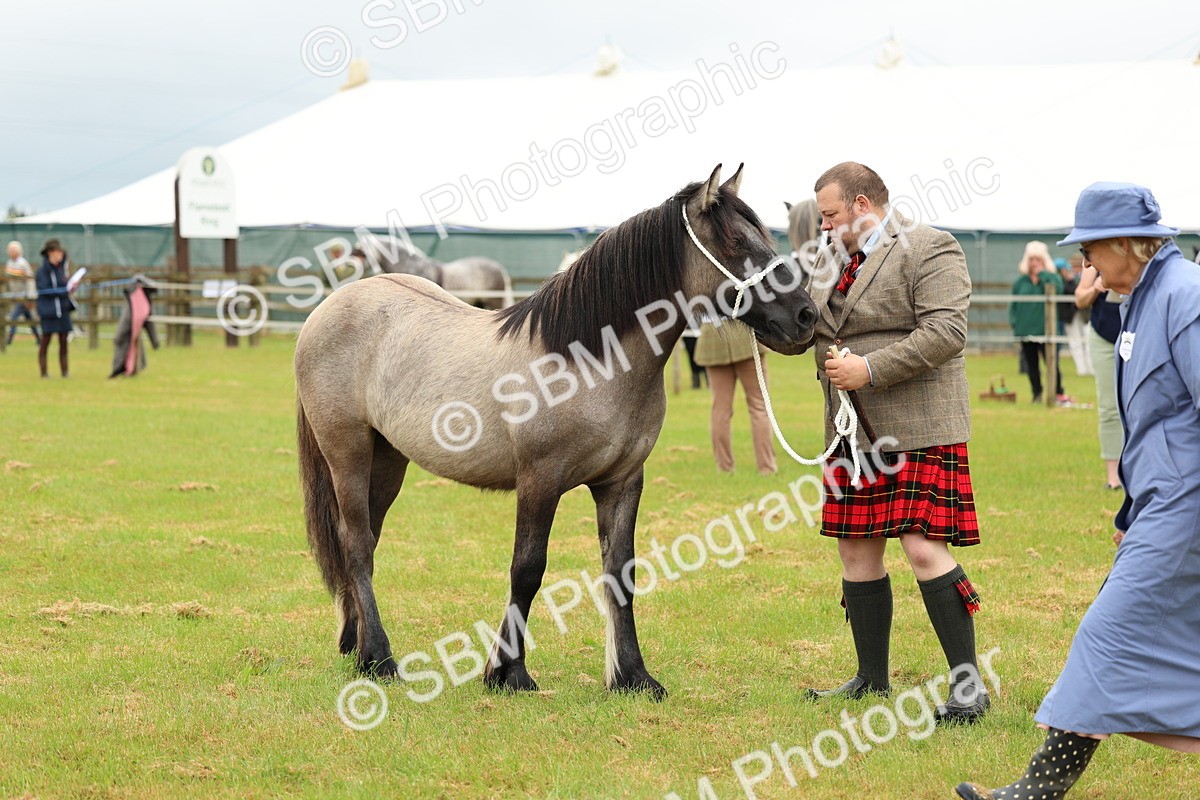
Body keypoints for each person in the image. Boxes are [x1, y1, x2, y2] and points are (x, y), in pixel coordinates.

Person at [957, 182, 1200, 799]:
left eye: (1091, 249)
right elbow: (1152, 419)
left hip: (1185, 507)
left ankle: (1036, 792)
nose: (1084, 262)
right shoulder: (1143, 296)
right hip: (1161, 504)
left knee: (1108, 632)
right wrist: (1132, 507)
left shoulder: (1183, 297)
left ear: (1128, 242)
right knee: (1132, 636)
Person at [801, 162, 987, 724]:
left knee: (922, 547)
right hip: (849, 426)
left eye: (831, 215)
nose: (826, 228)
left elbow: (946, 332)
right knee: (856, 551)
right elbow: (809, 329)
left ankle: (968, 688)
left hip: (917, 422)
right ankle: (870, 678)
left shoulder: (930, 246)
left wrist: (870, 369)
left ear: (863, 204)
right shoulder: (826, 262)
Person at [692, 319, 775, 474]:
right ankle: (767, 467)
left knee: (720, 410)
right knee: (759, 407)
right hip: (742, 331)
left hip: (713, 335)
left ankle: (724, 468)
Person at [1074, 264, 1124, 489]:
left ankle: (1138, 472)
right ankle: (1114, 478)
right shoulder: (1094, 263)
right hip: (1103, 335)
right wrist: (1096, 287)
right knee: (1108, 407)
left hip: (1137, 333)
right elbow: (1080, 299)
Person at [1009, 241, 1070, 403]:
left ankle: (1058, 393)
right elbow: (1013, 305)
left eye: (1038, 259)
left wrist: (1042, 275)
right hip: (1026, 329)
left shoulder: (1052, 278)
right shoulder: (1020, 282)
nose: (1034, 263)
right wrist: (1015, 323)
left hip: (1046, 330)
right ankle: (1036, 393)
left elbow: (1058, 291)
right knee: (1031, 366)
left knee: (1052, 363)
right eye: (1032, 259)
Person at [35, 239, 75, 378]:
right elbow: (45, 290)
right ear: (50, 253)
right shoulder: (42, 272)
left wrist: (71, 287)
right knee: (45, 341)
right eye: (58, 252)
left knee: (64, 342)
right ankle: (44, 373)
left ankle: (65, 372)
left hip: (63, 311)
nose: (61, 255)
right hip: (48, 312)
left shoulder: (61, 270)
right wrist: (64, 291)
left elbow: (65, 286)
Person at [1059, 256, 1092, 376]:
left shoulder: (1088, 277)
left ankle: (1091, 368)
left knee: (1088, 340)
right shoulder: (1066, 279)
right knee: (1075, 341)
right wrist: (1069, 280)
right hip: (1071, 314)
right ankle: (1081, 369)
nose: (1076, 269)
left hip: (1086, 314)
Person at [5, 241, 39, 344]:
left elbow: (30, 280)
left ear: (19, 251)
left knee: (14, 317)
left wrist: (30, 297)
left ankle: (9, 340)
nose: (11, 252)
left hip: (24, 297)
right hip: (15, 296)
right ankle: (39, 339)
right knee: (30, 319)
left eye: (13, 250)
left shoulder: (23, 264)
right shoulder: (9, 263)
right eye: (10, 250)